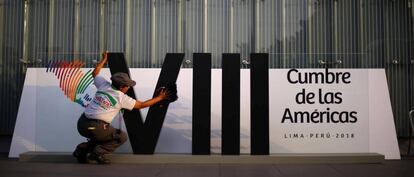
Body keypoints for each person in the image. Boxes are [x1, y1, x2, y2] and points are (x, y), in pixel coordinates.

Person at [73, 51, 171, 164]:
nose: (129, 88)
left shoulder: (104, 85)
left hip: (82, 124)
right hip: (97, 127)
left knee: (99, 136)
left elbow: (94, 73)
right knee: (121, 137)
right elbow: (142, 105)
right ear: (121, 87)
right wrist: (160, 97)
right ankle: (96, 154)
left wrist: (103, 61)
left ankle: (81, 150)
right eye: (128, 86)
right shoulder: (120, 98)